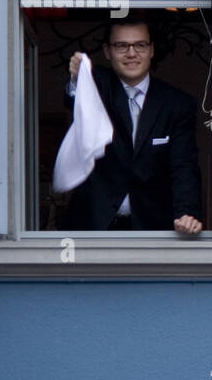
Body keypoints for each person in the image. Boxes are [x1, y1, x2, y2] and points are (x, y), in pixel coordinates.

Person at [62, 15, 204, 234]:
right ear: (107, 51)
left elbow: (183, 167)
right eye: (121, 45)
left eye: (140, 45)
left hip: (153, 228)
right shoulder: (97, 85)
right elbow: (75, 102)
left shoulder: (177, 104)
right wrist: (76, 78)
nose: (131, 53)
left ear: (152, 50)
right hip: (93, 227)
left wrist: (187, 213)